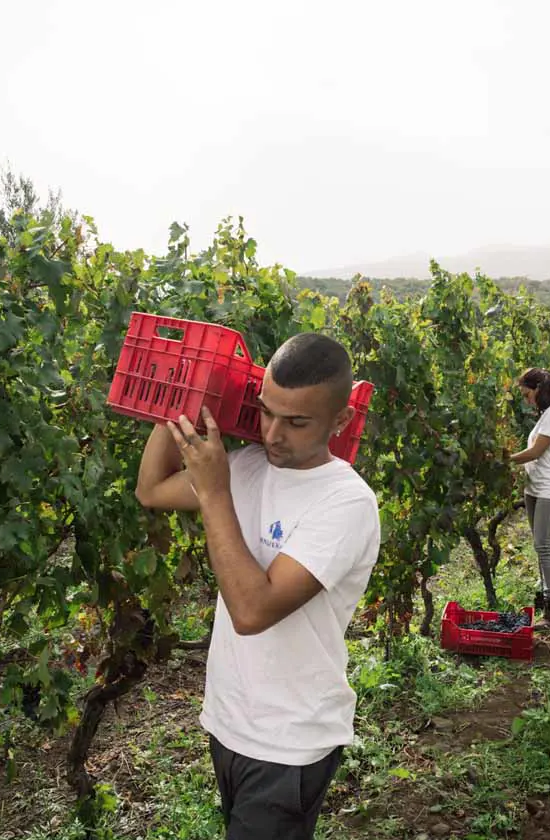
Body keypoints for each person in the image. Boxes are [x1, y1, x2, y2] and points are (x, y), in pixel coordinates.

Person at [134, 333, 380, 840]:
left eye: (296, 422)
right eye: (266, 412)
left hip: (289, 743)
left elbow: (251, 610)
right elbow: (152, 489)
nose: (271, 433)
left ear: (340, 421)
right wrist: (187, 401)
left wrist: (215, 489)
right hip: (230, 723)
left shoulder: (345, 503)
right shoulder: (246, 465)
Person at [507, 368, 550, 632]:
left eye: (527, 395)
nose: (526, 401)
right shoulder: (549, 413)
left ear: (539, 389)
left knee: (545, 545)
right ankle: (544, 594)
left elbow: (536, 451)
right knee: (540, 546)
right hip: (536, 488)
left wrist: (504, 460)